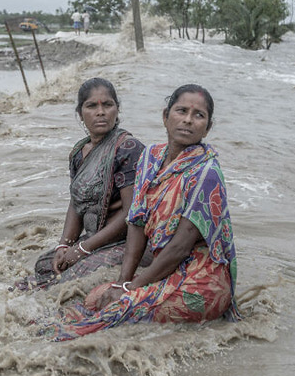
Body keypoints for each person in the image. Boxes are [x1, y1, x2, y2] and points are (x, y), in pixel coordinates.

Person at [41, 84, 238, 340]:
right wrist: (121, 282)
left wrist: (131, 287)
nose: (188, 120)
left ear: (207, 127)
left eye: (198, 115)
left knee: (113, 312)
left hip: (200, 281)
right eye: (181, 111)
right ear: (165, 116)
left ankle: (49, 345)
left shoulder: (205, 173)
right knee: (94, 299)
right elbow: (135, 221)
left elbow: (179, 247)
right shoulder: (150, 157)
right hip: (165, 268)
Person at [15, 78, 145, 291]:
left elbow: (132, 213)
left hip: (124, 241)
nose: (100, 112)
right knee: (45, 265)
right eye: (92, 106)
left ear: (117, 110)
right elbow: (76, 204)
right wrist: (65, 244)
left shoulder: (128, 148)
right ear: (80, 114)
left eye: (107, 105)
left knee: (70, 278)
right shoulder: (79, 153)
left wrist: (83, 248)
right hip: (96, 239)